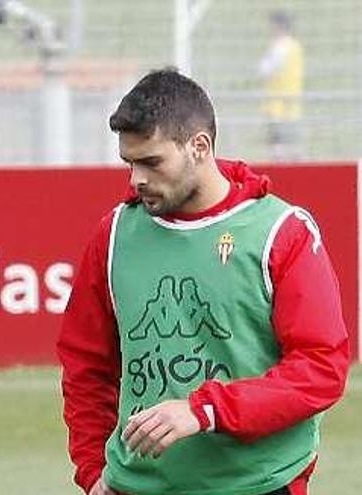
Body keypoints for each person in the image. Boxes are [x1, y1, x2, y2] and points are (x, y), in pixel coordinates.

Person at [57, 69, 349, 495]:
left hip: (255, 484)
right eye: (130, 162)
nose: (136, 179)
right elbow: (86, 365)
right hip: (136, 486)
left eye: (152, 162)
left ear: (200, 146)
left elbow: (321, 368)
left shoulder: (282, 232)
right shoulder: (115, 233)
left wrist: (204, 411)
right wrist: (92, 471)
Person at [257, 10, 304, 161]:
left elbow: (265, 69)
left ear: (279, 26)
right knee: (289, 143)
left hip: (277, 103)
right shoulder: (295, 46)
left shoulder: (279, 47)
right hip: (292, 101)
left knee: (278, 145)